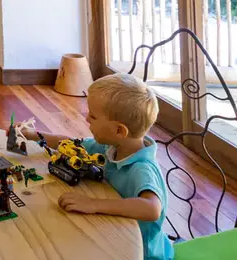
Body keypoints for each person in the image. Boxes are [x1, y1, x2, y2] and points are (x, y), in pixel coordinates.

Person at [21, 73, 173, 260]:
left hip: (142, 253)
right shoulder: (110, 146)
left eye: (93, 116)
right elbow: (71, 144)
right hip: (111, 231)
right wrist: (33, 135)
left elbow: (151, 209)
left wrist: (94, 204)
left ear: (119, 130)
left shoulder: (141, 168)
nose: (86, 118)